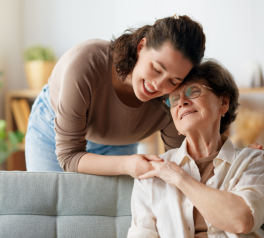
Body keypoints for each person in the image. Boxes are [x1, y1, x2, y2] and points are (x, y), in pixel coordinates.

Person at [25, 15, 206, 176]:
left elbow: (179, 162)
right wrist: (126, 164)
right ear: (141, 47)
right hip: (54, 133)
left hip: (119, 143)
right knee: (46, 207)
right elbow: (69, 156)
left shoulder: (172, 98)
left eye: (173, 81)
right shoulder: (86, 64)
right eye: (157, 69)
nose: (159, 85)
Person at [127, 60, 264, 237]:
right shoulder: (153, 172)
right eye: (174, 99)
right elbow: (141, 233)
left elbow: (242, 220)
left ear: (223, 103)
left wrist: (180, 178)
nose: (182, 101)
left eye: (193, 91)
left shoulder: (252, 161)